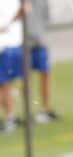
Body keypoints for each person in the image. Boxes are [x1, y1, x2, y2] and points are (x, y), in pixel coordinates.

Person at [0, 0, 23, 133]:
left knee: (6, 84)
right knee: (6, 85)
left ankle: (10, 117)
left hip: (7, 46)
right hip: (9, 45)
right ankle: (10, 116)